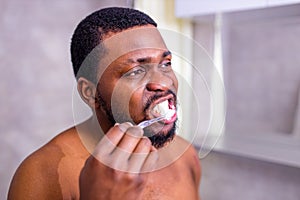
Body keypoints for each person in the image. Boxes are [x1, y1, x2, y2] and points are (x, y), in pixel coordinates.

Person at [8, 7, 201, 200]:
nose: (164, 83)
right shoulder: (42, 173)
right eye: (135, 71)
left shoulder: (185, 156)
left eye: (165, 64)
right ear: (90, 93)